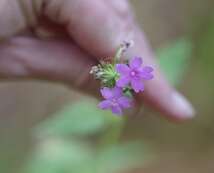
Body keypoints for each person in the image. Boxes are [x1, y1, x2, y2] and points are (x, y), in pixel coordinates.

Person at [0, 0, 194, 122]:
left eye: (113, 101)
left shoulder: (129, 76)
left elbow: (131, 76)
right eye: (113, 101)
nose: (134, 73)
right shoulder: (122, 74)